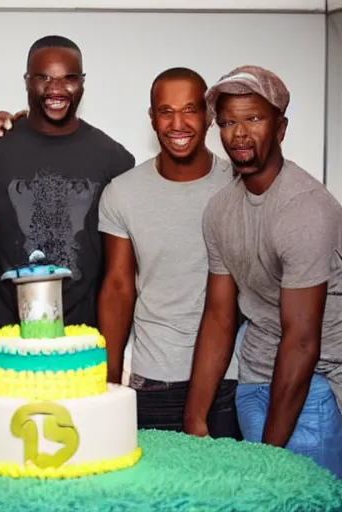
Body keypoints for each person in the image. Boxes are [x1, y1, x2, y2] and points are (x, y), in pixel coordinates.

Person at [183, 65, 342, 477]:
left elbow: (303, 341)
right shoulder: (220, 210)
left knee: (299, 499)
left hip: (315, 385)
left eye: (253, 118)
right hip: (253, 381)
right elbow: (219, 314)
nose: (239, 133)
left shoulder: (305, 208)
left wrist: (268, 457)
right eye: (229, 121)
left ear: (281, 128)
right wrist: (195, 417)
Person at [0, 36, 134, 389]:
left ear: (82, 82)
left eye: (68, 78)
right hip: (6, 350)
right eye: (43, 78)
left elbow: (121, 272)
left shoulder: (114, 159)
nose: (56, 88)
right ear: (26, 81)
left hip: (82, 350)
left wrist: (111, 367)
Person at [95, 67, 240, 437]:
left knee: (225, 493)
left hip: (231, 378)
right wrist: (111, 384)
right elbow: (117, 287)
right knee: (149, 494)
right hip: (152, 379)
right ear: (152, 117)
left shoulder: (238, 185)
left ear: (208, 115)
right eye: (166, 111)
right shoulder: (122, 192)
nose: (178, 124)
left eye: (190, 110)